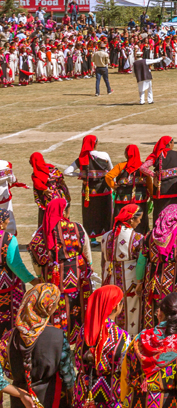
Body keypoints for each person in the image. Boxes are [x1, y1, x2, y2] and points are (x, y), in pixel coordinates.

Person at [26, 196, 94, 339]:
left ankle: (56, 339)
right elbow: (86, 250)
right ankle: (77, 338)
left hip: (52, 278)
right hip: (76, 277)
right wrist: (89, 265)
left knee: (55, 308)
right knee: (77, 307)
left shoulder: (41, 233)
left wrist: (40, 276)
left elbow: (36, 259)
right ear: (64, 212)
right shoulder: (76, 228)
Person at [101, 203, 145, 333]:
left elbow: (103, 261)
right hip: (130, 282)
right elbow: (141, 262)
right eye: (139, 218)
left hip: (110, 280)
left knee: (112, 308)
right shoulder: (137, 238)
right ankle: (128, 340)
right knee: (131, 312)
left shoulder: (105, 236)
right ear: (131, 219)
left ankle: (111, 337)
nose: (140, 221)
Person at [72, 134, 113, 240]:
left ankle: (93, 239)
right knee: (106, 213)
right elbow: (111, 171)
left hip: (88, 192)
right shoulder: (104, 155)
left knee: (90, 215)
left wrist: (80, 175)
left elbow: (67, 172)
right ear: (96, 143)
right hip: (104, 189)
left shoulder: (81, 158)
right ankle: (106, 237)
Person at [106, 143, 153, 232]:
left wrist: (114, 186)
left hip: (122, 199)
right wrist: (151, 193)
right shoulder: (142, 167)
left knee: (123, 219)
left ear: (126, 154)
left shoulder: (121, 166)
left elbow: (108, 176)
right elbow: (149, 182)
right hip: (140, 199)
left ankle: (120, 237)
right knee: (140, 220)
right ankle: (140, 238)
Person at [146, 135, 177, 226]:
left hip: (161, 191)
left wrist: (154, 175)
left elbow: (143, 167)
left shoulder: (157, 155)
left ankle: (160, 232)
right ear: (169, 143)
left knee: (160, 213)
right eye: (173, 143)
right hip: (176, 190)